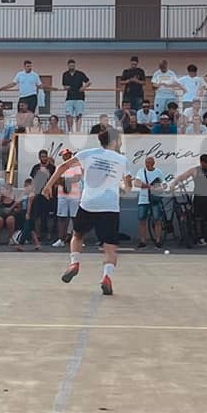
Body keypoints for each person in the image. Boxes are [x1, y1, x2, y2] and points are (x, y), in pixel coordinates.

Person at [47, 125, 133, 294]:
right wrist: (122, 187)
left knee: (77, 235)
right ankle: (106, 277)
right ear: (115, 141)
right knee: (110, 247)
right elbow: (128, 187)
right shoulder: (122, 160)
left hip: (88, 204)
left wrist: (48, 185)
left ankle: (75, 263)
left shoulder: (88, 153)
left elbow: (62, 167)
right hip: (109, 206)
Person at [2, 60, 44, 124]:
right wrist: (4, 87)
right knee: (20, 113)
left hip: (32, 96)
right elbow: (13, 83)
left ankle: (29, 128)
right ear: (24, 66)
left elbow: (40, 85)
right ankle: (21, 128)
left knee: (30, 114)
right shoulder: (19, 74)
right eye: (27, 66)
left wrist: (51, 88)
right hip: (22, 97)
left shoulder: (35, 75)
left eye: (30, 66)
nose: (29, 68)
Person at [60, 59, 90, 131]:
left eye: (73, 65)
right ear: (68, 66)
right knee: (68, 114)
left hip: (79, 97)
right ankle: (70, 130)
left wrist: (84, 87)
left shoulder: (80, 74)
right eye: (70, 65)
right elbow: (64, 86)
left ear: (75, 65)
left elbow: (88, 82)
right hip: (69, 97)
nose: (72, 67)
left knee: (79, 114)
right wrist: (66, 87)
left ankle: (78, 130)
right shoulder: (65, 74)